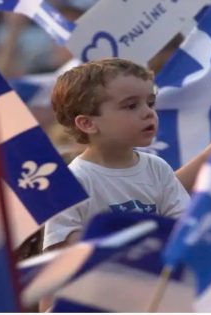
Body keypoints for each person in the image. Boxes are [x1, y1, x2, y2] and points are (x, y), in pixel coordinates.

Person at [43, 58, 190, 250]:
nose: (148, 113)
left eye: (150, 103)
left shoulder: (158, 168)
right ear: (87, 123)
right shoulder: (72, 181)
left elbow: (183, 224)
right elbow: (60, 244)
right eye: (131, 106)